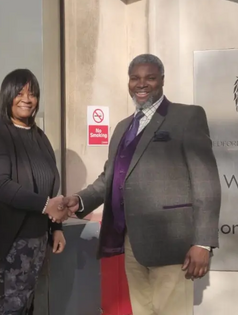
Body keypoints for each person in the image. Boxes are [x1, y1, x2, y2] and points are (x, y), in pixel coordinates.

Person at [65, 54, 222, 315]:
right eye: (135, 78)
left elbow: (206, 182)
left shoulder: (186, 117)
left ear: (162, 80)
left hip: (173, 244)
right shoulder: (122, 127)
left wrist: (203, 243)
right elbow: (110, 178)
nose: (142, 84)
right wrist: (79, 200)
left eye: (149, 78)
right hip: (132, 243)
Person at [0, 69, 69, 315]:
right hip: (7, 245)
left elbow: (51, 182)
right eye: (19, 92)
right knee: (3, 308)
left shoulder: (39, 136)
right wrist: (46, 205)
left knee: (25, 307)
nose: (27, 98)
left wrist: (56, 228)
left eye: (33, 93)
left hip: (37, 244)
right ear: (7, 95)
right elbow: (0, 185)